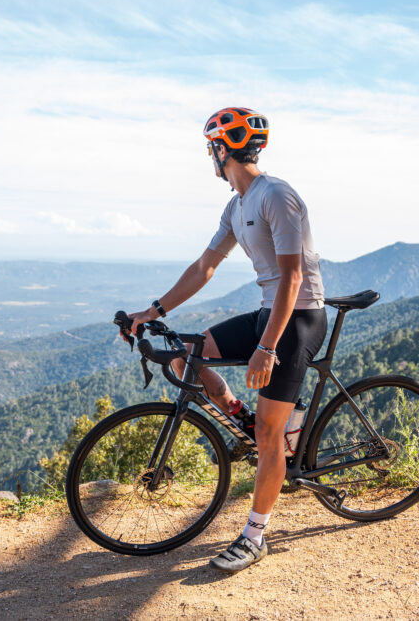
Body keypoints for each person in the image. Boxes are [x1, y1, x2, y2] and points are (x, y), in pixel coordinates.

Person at [127, 107, 326, 572]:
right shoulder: (237, 205)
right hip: (269, 311)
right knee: (184, 358)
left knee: (269, 432)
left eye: (210, 148)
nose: (209, 157)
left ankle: (255, 535)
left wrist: (267, 347)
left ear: (223, 149)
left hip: (296, 320)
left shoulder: (276, 196)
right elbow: (204, 267)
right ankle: (244, 419)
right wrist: (152, 311)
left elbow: (293, 279)